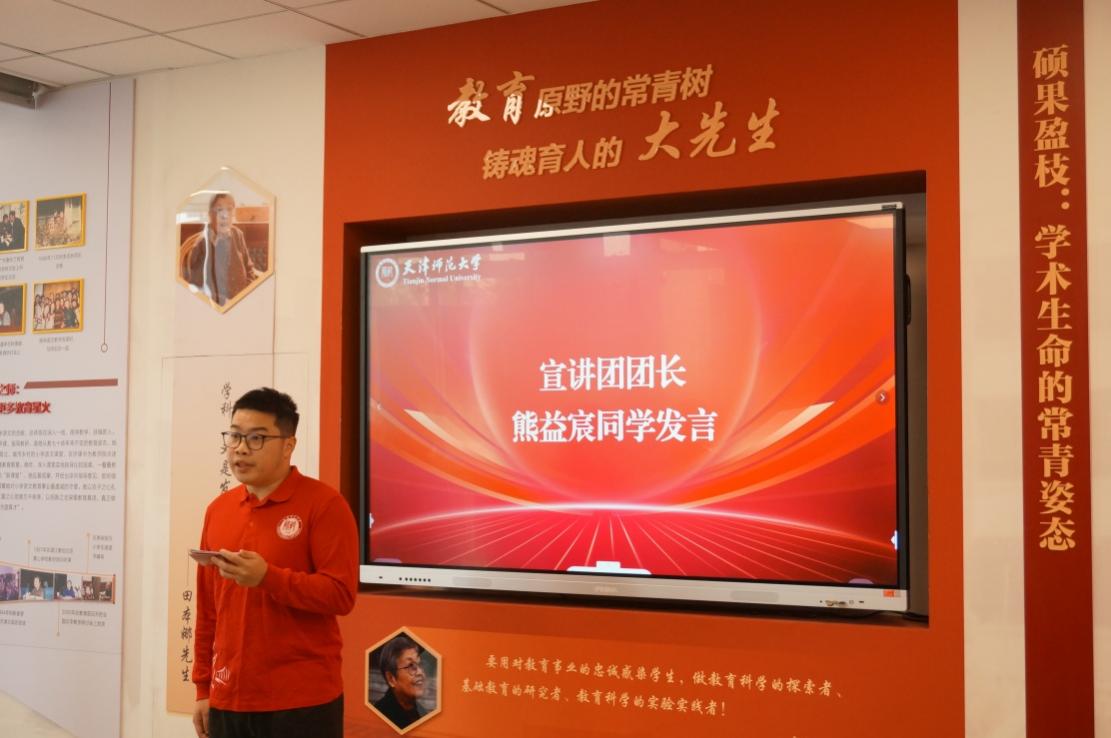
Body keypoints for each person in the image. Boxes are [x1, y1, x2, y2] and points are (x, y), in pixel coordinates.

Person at [192, 388, 358, 738]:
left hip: (301, 700)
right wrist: (203, 688)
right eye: (235, 436)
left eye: (256, 438)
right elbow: (208, 609)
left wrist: (269, 578)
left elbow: (341, 594)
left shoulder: (324, 505)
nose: (240, 448)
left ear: (288, 445)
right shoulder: (218, 510)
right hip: (229, 696)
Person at [180, 193, 258, 306]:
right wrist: (224, 303)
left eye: (229, 209)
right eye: (219, 210)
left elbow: (249, 269)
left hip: (243, 301)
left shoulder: (238, 235)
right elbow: (198, 288)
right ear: (210, 215)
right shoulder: (201, 244)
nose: (224, 215)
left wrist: (246, 295)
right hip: (217, 307)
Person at [372, 634, 428, 730]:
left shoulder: (423, 713)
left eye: (420, 664)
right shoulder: (379, 717)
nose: (420, 672)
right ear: (391, 678)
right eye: (410, 666)